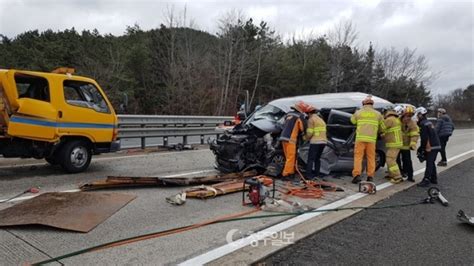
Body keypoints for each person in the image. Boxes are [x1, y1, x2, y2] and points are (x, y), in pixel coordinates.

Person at [350, 95, 385, 184]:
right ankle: (370, 176)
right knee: (371, 158)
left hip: (360, 139)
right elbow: (383, 127)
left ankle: (357, 175)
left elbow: (352, 121)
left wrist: (354, 113)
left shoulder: (358, 112)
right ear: (372, 104)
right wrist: (380, 132)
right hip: (371, 140)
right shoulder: (378, 114)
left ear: (363, 104)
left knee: (358, 157)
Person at [279, 101, 308, 178]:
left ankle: (291, 171)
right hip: (291, 139)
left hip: (283, 137)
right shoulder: (299, 116)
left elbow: (281, 124)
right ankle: (286, 174)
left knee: (288, 157)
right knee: (291, 157)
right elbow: (302, 128)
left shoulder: (288, 114)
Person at [416, 107, 441, 187]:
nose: (416, 117)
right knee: (432, 162)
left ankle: (426, 179)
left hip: (431, 146)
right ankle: (434, 178)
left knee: (429, 163)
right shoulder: (428, 122)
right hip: (436, 144)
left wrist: (422, 148)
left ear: (420, 115)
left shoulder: (423, 124)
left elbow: (425, 138)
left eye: (417, 115)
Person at [396, 105, 419, 182]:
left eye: (410, 116)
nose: (408, 118)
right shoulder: (397, 121)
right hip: (397, 145)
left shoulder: (412, 124)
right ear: (403, 115)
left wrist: (413, 143)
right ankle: (399, 174)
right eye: (407, 116)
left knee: (407, 161)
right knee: (396, 161)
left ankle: (410, 176)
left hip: (406, 146)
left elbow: (414, 134)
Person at [304, 104, 327, 180]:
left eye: (307, 113)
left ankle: (308, 175)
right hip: (323, 142)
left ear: (309, 113)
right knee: (317, 158)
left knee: (310, 159)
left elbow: (310, 133)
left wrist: (305, 138)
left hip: (315, 142)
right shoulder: (321, 120)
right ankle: (317, 174)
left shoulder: (311, 120)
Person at [382, 106, 404, 184]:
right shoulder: (395, 119)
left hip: (394, 143)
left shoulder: (389, 119)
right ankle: (391, 174)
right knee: (390, 159)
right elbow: (389, 131)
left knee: (390, 160)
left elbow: (381, 128)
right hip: (396, 143)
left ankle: (397, 177)